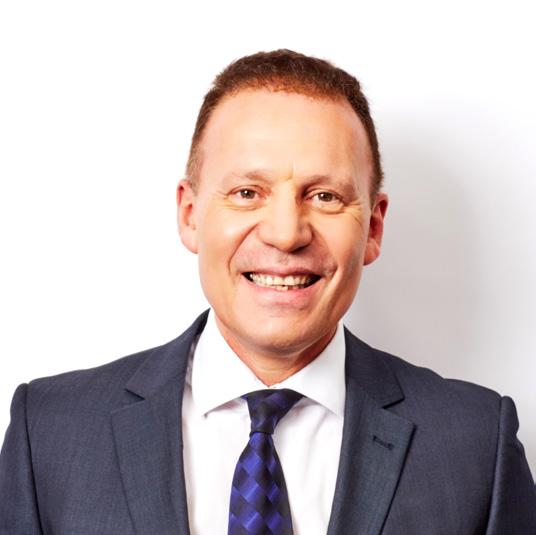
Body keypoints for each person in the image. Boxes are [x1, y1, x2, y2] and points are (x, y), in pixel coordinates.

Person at [1, 49, 535, 535]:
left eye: (324, 196)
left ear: (373, 227)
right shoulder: (48, 432)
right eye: (247, 192)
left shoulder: (475, 444)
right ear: (190, 215)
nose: (285, 233)